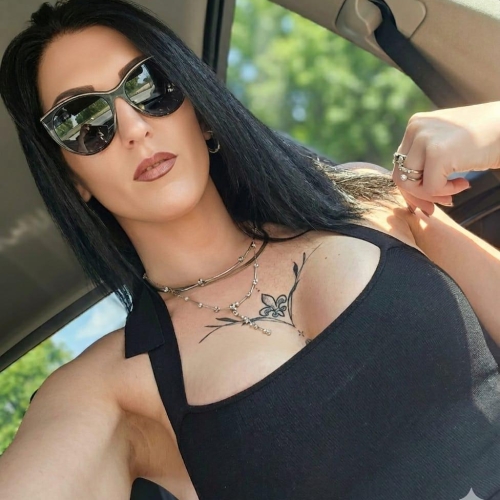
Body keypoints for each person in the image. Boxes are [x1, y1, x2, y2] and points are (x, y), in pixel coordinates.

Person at [0, 0, 499, 499]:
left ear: (199, 109)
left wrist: (491, 131)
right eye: (81, 121)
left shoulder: (364, 200)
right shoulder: (107, 389)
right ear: (71, 178)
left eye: (148, 83)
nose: (134, 128)